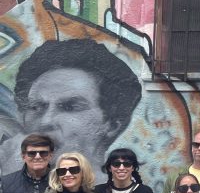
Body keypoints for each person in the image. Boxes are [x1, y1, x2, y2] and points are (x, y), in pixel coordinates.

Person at [13, 39, 142, 173]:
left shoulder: (117, 192)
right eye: (36, 107)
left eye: (70, 107)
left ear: (111, 125)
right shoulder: (11, 187)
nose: (46, 121)